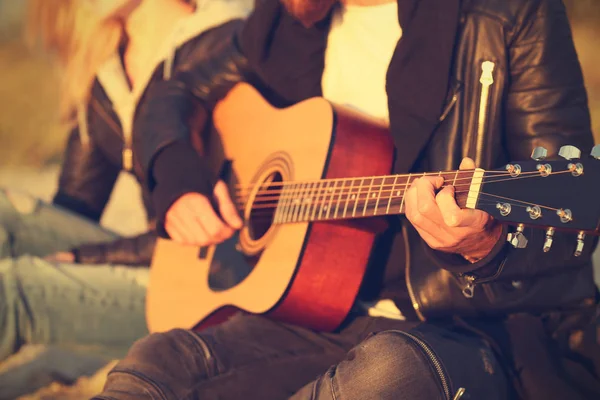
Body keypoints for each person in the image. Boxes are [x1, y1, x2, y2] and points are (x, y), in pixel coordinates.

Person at [94, 0, 600, 398]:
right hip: (314, 318)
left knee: (391, 375)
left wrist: (487, 247)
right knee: (157, 361)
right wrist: (178, 175)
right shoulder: (286, 21)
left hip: (471, 329)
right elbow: (172, 91)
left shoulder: (506, 12)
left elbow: (574, 227)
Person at [0, 0, 249, 397]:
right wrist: (65, 268)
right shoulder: (108, 71)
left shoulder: (222, 43)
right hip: (144, 257)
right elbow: (74, 208)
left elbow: (210, 224)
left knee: (12, 289)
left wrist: (85, 260)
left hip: (196, 285)